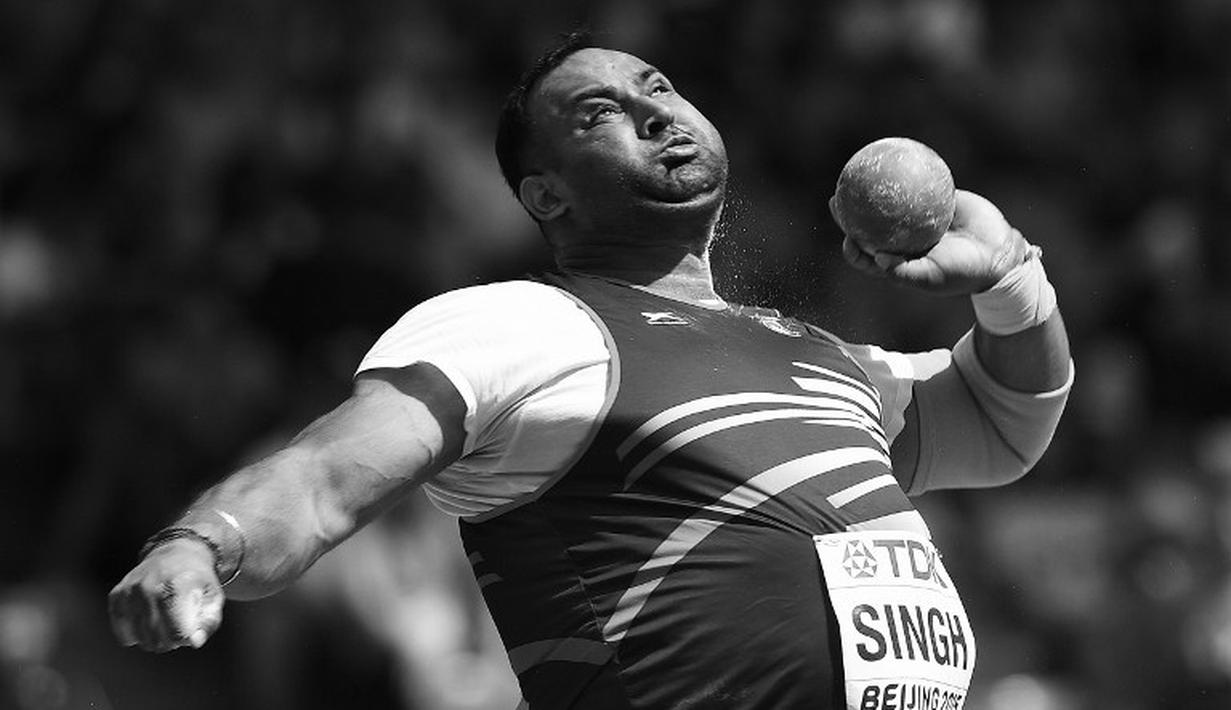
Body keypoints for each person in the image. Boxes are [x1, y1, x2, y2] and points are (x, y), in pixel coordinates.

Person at [109, 34, 1073, 709]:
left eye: (658, 87)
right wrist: (205, 545)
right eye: (602, 112)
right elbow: (322, 479)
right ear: (545, 192)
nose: (655, 113)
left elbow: (999, 424)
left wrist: (1012, 281)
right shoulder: (524, 325)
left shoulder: (819, 357)